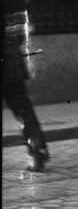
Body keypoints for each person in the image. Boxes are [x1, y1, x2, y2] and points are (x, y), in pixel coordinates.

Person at [3, 16, 49, 172]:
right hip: (11, 62)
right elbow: (23, 30)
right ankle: (38, 150)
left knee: (22, 107)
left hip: (9, 62)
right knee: (23, 108)